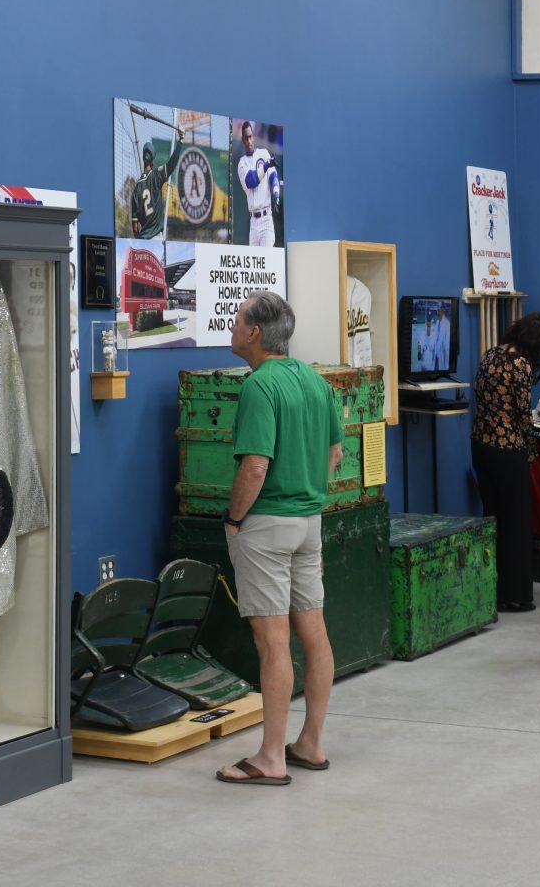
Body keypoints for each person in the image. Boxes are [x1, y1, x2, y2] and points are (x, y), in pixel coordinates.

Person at [216, 291, 339, 786]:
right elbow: (334, 452)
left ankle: (270, 758)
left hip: (266, 525)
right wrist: (308, 493)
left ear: (254, 333)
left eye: (238, 318)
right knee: (315, 633)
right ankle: (310, 743)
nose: (232, 324)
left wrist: (233, 519)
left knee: (272, 644)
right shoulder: (314, 380)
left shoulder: (259, 386)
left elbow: (255, 465)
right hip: (310, 522)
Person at [470, 312, 540, 613]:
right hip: (508, 449)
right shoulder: (520, 365)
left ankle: (491, 588)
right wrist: (530, 452)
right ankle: (517, 594)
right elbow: (522, 415)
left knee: (492, 517)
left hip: (480, 445)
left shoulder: (490, 354)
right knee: (516, 523)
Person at [234, 121, 281, 247]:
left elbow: (273, 177)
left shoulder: (263, 153)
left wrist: (276, 195)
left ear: (253, 137)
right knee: (254, 265)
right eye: (246, 138)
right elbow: (251, 181)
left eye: (250, 137)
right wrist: (266, 165)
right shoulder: (242, 163)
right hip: (253, 223)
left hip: (266, 219)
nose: (249, 141)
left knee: (267, 262)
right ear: (242, 140)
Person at [127, 136, 183, 239]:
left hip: (143, 240)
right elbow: (171, 164)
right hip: (157, 238)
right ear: (152, 161)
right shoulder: (155, 175)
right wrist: (180, 142)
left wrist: (141, 242)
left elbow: (135, 228)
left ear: (144, 160)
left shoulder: (136, 191)